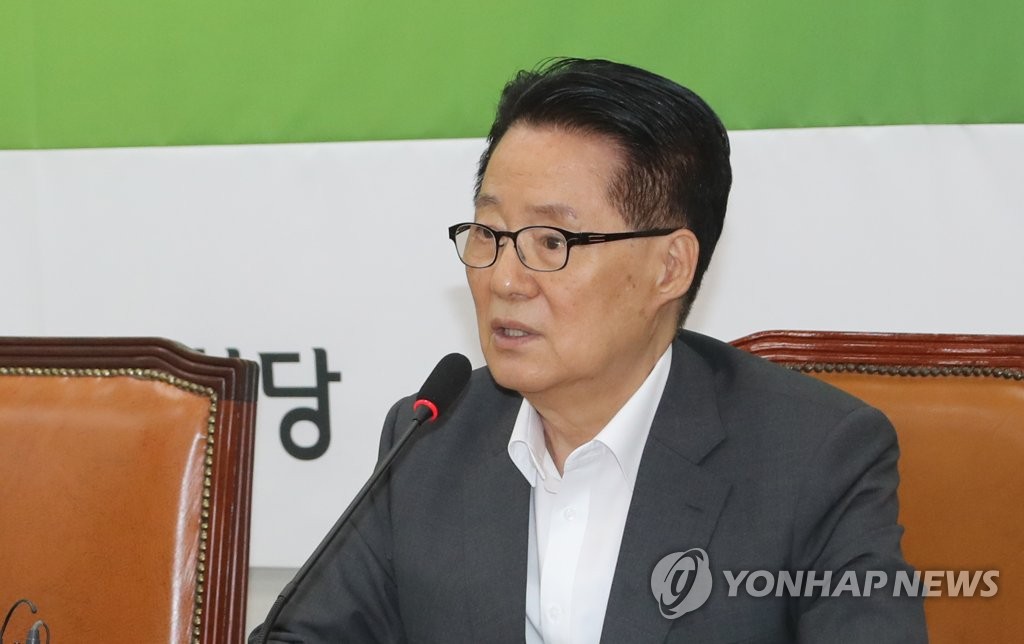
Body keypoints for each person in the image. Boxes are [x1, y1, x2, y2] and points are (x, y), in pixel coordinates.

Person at [253, 58, 926, 643]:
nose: (505, 280)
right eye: (489, 232)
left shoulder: (814, 459)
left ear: (669, 268)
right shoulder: (432, 438)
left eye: (552, 243)